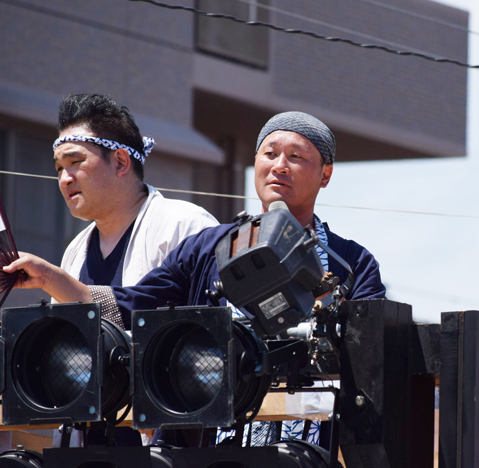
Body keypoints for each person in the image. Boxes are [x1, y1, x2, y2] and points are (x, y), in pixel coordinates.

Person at [5, 110, 386, 445]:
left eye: (296, 157)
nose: (279, 166)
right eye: (269, 154)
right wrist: (49, 278)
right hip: (211, 440)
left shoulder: (352, 262)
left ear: (326, 175)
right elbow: (135, 304)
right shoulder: (208, 245)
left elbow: (371, 360)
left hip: (310, 438)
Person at [50, 93, 219, 446]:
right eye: (58, 168)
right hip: (88, 447)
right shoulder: (74, 252)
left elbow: (208, 350)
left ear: (121, 161)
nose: (65, 178)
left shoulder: (185, 227)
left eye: (75, 162)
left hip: (170, 449)